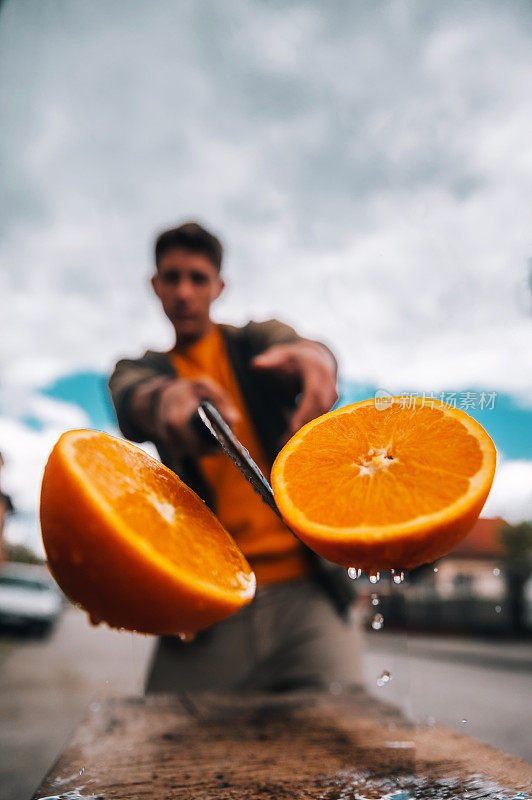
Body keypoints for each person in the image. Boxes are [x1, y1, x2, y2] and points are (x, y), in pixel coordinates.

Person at [108, 221, 361, 693]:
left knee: (349, 735)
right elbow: (133, 399)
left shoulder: (254, 342)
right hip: (208, 598)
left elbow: (297, 347)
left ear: (219, 287)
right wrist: (164, 401)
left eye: (198, 278)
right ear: (155, 285)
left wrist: (317, 358)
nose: (184, 291)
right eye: (172, 277)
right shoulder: (140, 368)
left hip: (307, 593)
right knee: (167, 738)